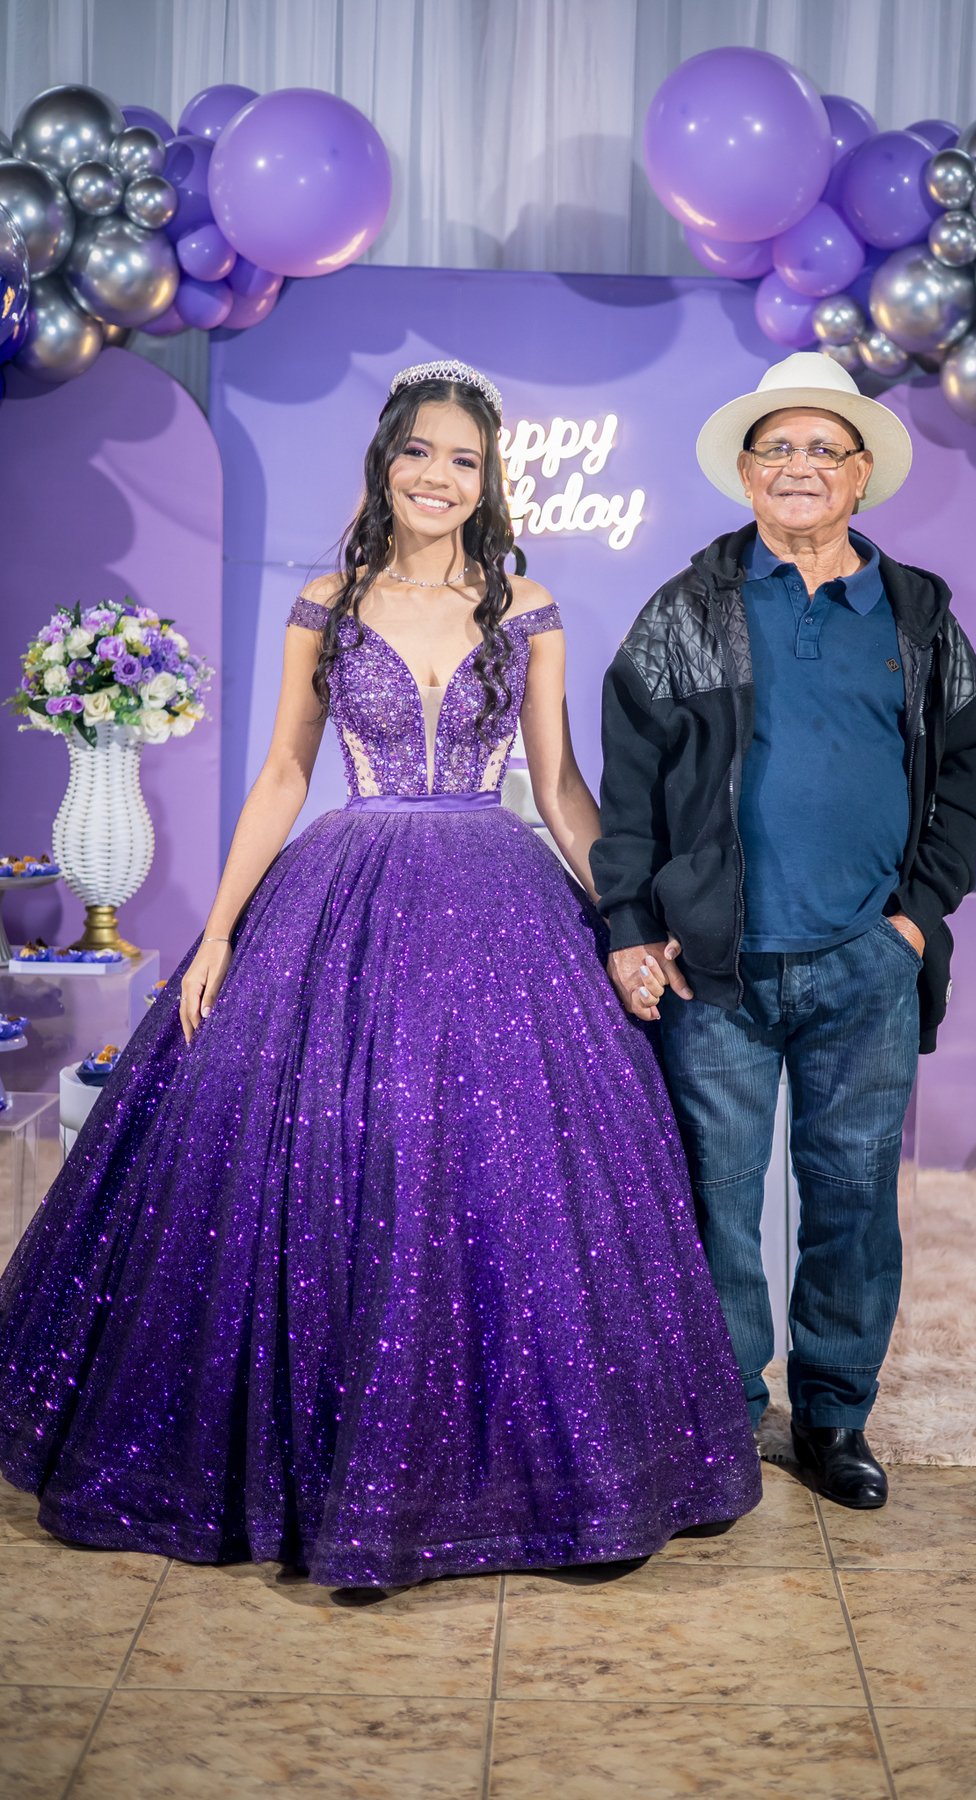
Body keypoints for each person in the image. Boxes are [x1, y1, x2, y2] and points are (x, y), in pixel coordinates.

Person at [0, 360, 761, 1589]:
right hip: (344, 890)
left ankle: (537, 1474)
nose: (438, 477)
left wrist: (625, 916)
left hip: (501, 894)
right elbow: (285, 775)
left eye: (464, 460)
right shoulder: (327, 603)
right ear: (386, 463)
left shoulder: (528, 608)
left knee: (510, 1165)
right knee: (330, 1151)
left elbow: (561, 788)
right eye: (419, 452)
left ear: (488, 481)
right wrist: (222, 930)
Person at [593, 352, 976, 1511]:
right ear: (745, 471)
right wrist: (631, 923)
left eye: (824, 448)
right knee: (714, 1204)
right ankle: (722, 1418)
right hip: (712, 971)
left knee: (851, 1201)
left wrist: (915, 919)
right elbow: (629, 790)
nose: (798, 466)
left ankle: (834, 1418)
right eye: (776, 447)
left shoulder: (916, 615)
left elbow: (974, 762)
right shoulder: (685, 611)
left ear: (861, 474)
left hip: (865, 967)